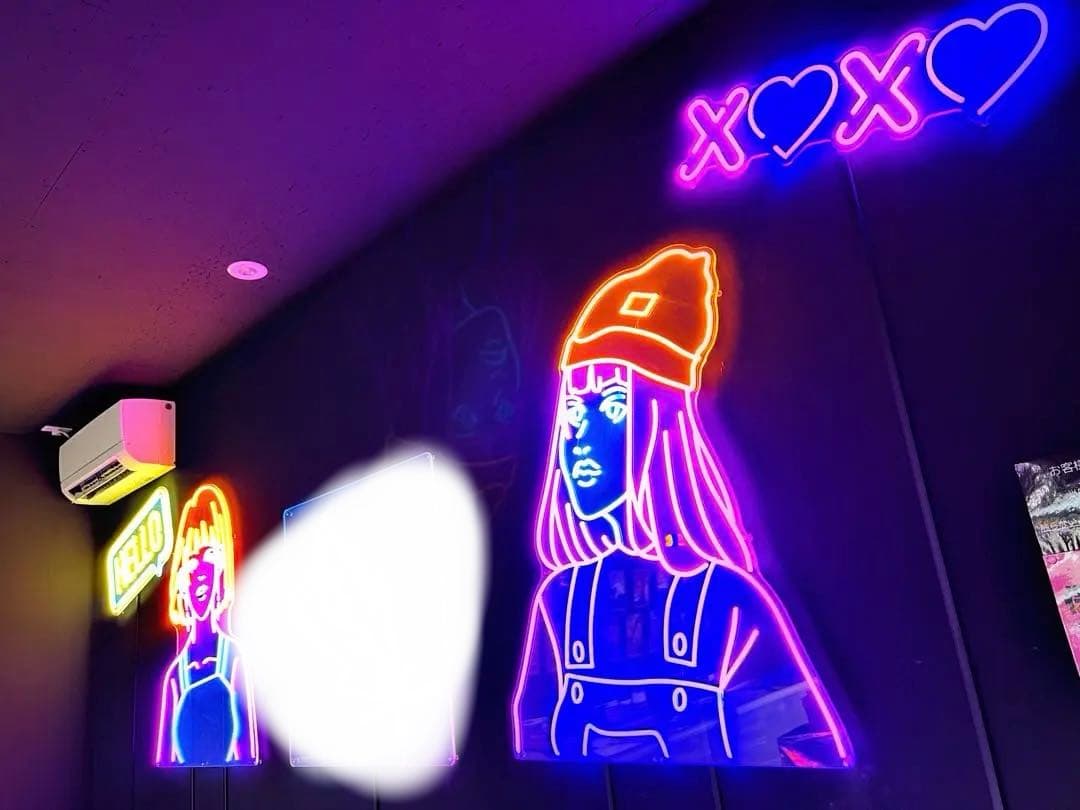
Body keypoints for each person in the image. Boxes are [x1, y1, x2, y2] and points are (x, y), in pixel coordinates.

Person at [511, 245, 852, 767]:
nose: (582, 437)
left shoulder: (731, 599)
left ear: (665, 427)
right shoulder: (559, 601)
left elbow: (808, 754)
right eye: (574, 412)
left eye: (615, 407)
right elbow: (532, 753)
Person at [155, 483, 259, 766]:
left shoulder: (234, 659)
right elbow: (166, 762)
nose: (200, 572)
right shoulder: (175, 675)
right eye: (191, 561)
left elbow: (247, 754)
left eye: (209, 556)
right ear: (180, 579)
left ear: (221, 570)